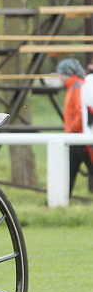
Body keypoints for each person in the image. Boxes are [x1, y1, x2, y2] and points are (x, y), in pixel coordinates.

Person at [56, 57, 93, 195]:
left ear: (67, 73)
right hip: (76, 136)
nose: (59, 76)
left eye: (60, 73)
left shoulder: (77, 87)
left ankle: (60, 197)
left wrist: (73, 129)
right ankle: (60, 198)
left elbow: (80, 112)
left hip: (79, 136)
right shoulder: (74, 86)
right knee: (69, 169)